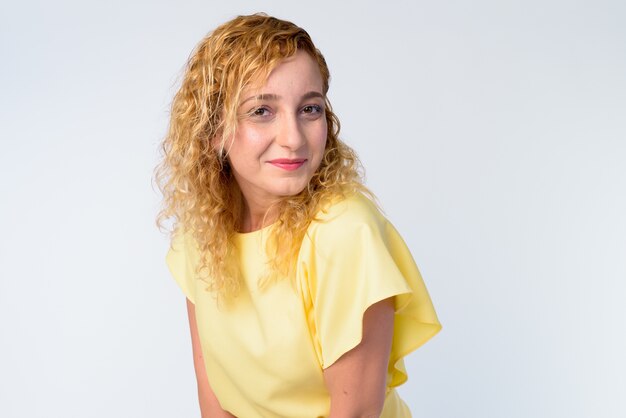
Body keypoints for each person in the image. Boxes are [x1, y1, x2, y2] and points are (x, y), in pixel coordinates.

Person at [155, 13, 441, 418]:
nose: (293, 138)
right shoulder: (201, 234)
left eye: (309, 108)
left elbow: (355, 414)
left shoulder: (344, 234)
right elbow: (216, 404)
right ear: (214, 129)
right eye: (261, 111)